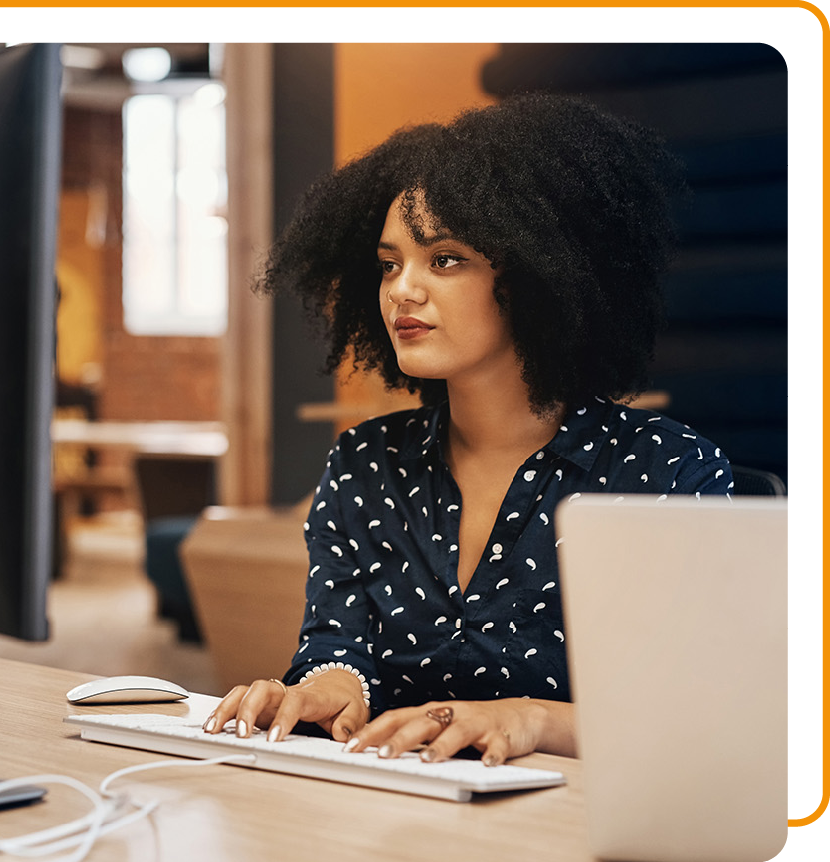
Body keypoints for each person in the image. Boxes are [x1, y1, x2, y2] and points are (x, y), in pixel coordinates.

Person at [203, 93, 733, 767]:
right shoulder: (364, 464)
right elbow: (337, 647)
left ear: (540, 276)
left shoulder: (665, 473)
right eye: (390, 263)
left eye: (444, 259)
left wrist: (531, 721)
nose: (402, 290)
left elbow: (691, 709)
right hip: (392, 815)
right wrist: (327, 687)